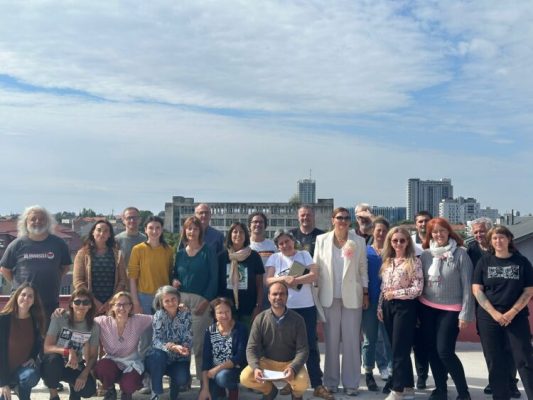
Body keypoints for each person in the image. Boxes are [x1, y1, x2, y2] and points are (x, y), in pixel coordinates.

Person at [265, 230, 332, 400]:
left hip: (306, 307)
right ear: (277, 246)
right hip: (285, 309)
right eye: (281, 243)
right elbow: (268, 280)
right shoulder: (275, 258)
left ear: (293, 241)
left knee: (310, 345)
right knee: (288, 346)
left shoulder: (304, 255)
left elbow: (314, 275)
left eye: (287, 241)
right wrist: (284, 279)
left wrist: (295, 281)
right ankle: (290, 382)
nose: (285, 245)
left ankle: (317, 384)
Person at [472, 225, 533, 400]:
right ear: (491, 241)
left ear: (509, 239)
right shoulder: (484, 262)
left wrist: (512, 312)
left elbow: (529, 290)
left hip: (517, 316)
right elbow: (477, 290)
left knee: (525, 359)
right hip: (489, 318)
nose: (498, 241)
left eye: (502, 237)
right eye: (494, 238)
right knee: (494, 361)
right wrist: (494, 313)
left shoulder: (522, 262)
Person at [313, 207, 368, 396]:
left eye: (346, 218)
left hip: (352, 296)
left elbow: (363, 269)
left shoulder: (358, 241)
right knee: (331, 342)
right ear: (333, 220)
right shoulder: (321, 240)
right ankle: (330, 382)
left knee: (352, 341)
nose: (343, 221)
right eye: (339, 217)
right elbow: (316, 267)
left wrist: (366, 293)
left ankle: (351, 384)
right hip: (329, 297)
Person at [419, 218, 474, 400]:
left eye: (442, 230)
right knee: (432, 351)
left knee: (445, 351)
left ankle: (463, 392)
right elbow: (420, 283)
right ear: (430, 234)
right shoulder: (426, 255)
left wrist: (465, 313)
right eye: (434, 232)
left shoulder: (460, 254)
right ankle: (440, 389)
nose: (439, 234)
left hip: (451, 309)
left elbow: (467, 286)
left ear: (449, 232)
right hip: (427, 307)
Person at [467, 218, 520, 398]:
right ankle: (495, 381)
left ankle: (511, 383)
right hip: (484, 307)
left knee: (509, 347)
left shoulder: (502, 247)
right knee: (491, 349)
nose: (479, 235)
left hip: (507, 306)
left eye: (482, 231)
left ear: (490, 232)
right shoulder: (471, 250)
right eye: (475, 232)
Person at [0, 205, 72, 324]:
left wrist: (53, 278)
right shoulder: (16, 244)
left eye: (41, 219)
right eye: (33, 219)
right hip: (23, 303)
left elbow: (65, 267)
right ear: (26, 222)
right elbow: (4, 269)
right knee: (23, 333)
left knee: (47, 334)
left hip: (49, 302)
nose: (37, 221)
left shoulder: (59, 244)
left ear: (47, 222)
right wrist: (18, 285)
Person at [240, 282, 310, 400]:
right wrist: (256, 368)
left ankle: (296, 395)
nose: (278, 297)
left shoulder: (298, 320)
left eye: (282, 294)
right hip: (266, 362)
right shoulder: (260, 319)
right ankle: (269, 390)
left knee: (302, 382)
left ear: (287, 296)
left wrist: (293, 368)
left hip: (290, 363)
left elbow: (303, 350)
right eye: (275, 294)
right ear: (269, 296)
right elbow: (251, 348)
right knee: (245, 377)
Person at [378, 227, 423, 400]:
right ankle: (408, 386)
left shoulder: (414, 261)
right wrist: (380, 307)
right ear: (390, 242)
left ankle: (397, 390)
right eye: (395, 240)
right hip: (388, 307)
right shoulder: (387, 261)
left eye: (402, 240)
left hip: (405, 307)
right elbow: (383, 288)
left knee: (399, 349)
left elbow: (417, 289)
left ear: (407, 242)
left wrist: (396, 294)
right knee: (398, 348)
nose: (398, 243)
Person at [173, 216, 218, 381]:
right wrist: (174, 280)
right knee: (182, 344)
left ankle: (203, 381)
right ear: (184, 231)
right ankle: (183, 380)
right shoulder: (179, 254)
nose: (192, 231)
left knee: (200, 345)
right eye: (189, 228)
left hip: (201, 301)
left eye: (195, 228)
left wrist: (206, 301)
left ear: (200, 231)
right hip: (181, 302)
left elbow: (214, 279)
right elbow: (174, 274)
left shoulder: (208, 252)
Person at [41, 288, 100, 400]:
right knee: (52, 361)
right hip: (56, 362)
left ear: (90, 306)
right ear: (72, 304)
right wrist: (68, 351)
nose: (81, 305)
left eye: (85, 302)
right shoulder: (60, 318)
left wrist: (84, 374)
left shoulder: (94, 327)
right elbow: (47, 347)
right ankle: (54, 395)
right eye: (77, 302)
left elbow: (93, 356)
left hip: (75, 364)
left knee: (89, 390)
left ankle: (74, 391)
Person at [93, 291, 152, 400]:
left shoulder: (138, 320)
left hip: (132, 362)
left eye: (126, 304)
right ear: (112, 306)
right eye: (118, 304)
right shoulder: (103, 321)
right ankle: (110, 390)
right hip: (112, 362)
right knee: (102, 366)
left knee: (129, 384)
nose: (122, 308)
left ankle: (126, 393)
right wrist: (63, 313)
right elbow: (83, 320)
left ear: (130, 307)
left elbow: (159, 318)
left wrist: (177, 309)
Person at [145, 286, 192, 400]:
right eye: (167, 301)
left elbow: (188, 336)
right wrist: (171, 346)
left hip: (178, 358)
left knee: (182, 378)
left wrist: (184, 347)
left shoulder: (186, 314)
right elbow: (156, 340)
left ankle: (174, 391)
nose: (171, 303)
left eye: (173, 299)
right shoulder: (159, 315)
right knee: (157, 355)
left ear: (178, 299)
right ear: (161, 303)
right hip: (160, 357)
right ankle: (156, 392)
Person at [361, 217, 392, 392]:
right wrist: (364, 295)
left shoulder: (393, 251)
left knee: (389, 339)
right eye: (378, 230)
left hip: (389, 302)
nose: (381, 233)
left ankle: (391, 375)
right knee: (370, 339)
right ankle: (368, 373)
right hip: (370, 301)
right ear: (373, 231)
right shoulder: (364, 251)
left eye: (384, 230)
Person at [0, 283, 45, 400]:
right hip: (2, 370)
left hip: (21, 370)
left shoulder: (36, 320)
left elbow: (38, 343)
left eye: (30, 296)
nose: (26, 298)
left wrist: (33, 357)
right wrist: (3, 383)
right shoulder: (3, 319)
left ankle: (23, 394)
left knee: (31, 376)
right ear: (16, 296)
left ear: (34, 301)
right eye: (23, 294)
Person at [73, 220, 127, 315]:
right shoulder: (82, 253)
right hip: (88, 305)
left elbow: (122, 281)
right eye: (99, 230)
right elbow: (78, 281)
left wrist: (111, 302)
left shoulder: (117, 254)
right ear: (93, 232)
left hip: (112, 306)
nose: (102, 233)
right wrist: (93, 301)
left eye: (106, 231)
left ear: (109, 235)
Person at [198, 298, 248, 400]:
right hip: (213, 371)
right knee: (205, 396)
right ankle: (219, 390)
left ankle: (232, 390)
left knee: (222, 377)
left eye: (227, 311)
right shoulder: (210, 331)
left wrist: (218, 369)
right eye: (220, 312)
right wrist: (205, 388)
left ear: (231, 311)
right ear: (214, 314)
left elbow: (240, 356)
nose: (224, 315)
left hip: (234, 369)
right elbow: (206, 359)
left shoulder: (240, 329)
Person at [217, 222, 264, 328]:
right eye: (235, 232)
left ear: (246, 235)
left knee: (248, 337)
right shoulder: (221, 257)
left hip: (249, 309)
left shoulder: (254, 256)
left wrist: (258, 306)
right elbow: (217, 284)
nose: (238, 234)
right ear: (230, 235)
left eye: (241, 232)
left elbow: (259, 284)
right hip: (226, 309)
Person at [129, 216, 174, 315]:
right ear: (145, 230)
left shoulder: (169, 250)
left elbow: (170, 274)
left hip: (164, 297)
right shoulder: (137, 249)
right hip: (143, 298)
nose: (154, 231)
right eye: (151, 228)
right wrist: (135, 303)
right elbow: (132, 278)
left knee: (162, 325)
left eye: (158, 228)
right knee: (145, 325)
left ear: (162, 230)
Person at [410, 210, 432, 390]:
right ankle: (422, 376)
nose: (423, 224)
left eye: (426, 221)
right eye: (420, 221)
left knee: (437, 342)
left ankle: (440, 375)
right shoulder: (409, 243)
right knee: (418, 343)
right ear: (415, 224)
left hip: (437, 299)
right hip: (416, 299)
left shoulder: (439, 241)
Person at [115, 207, 146, 273]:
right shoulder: (117, 240)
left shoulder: (146, 239)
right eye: (129, 218)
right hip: (124, 278)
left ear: (140, 220)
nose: (132, 220)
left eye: (135, 217)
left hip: (142, 278)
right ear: (123, 220)